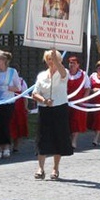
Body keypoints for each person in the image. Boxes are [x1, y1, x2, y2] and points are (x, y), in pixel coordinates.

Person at [31, 49, 73, 180]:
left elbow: (62, 73)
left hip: (60, 109)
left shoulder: (64, 72)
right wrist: (43, 100)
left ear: (60, 61)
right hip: (45, 110)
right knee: (42, 138)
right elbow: (34, 93)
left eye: (53, 59)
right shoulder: (41, 75)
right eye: (49, 59)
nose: (51, 62)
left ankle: (55, 168)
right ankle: (40, 168)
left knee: (58, 138)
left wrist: (56, 60)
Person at [0, 50, 21, 158]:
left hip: (7, 102)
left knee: (4, 124)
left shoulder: (12, 72)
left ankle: (6, 147)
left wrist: (8, 88)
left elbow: (18, 88)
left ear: (4, 61)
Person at [66, 56, 91, 149]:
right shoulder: (65, 74)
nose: (71, 65)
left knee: (76, 122)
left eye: (74, 63)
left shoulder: (83, 75)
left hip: (78, 103)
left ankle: (74, 141)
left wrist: (83, 100)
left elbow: (87, 88)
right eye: (70, 63)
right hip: (67, 102)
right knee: (67, 121)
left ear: (78, 65)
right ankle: (68, 139)